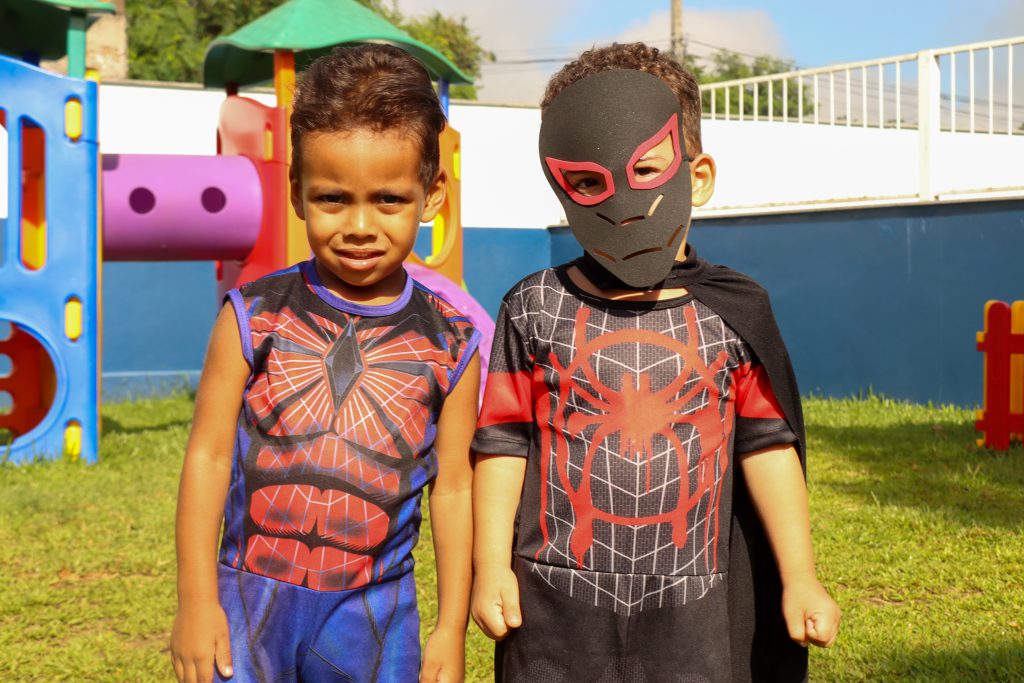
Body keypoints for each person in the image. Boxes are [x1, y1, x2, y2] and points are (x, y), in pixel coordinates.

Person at [470, 42, 840, 682]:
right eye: (588, 181)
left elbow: (768, 445)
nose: (620, 202)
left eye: (646, 169)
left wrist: (800, 576)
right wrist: (490, 565)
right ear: (561, 186)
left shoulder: (732, 311)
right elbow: (502, 442)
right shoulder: (533, 307)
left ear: (698, 177)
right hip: (554, 605)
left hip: (692, 609)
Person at [170, 44, 480, 683]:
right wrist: (197, 603)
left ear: (431, 195)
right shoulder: (252, 316)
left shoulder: (454, 342)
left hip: (374, 617)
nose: (360, 226)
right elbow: (207, 457)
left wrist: (450, 629)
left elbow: (454, 489)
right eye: (333, 198)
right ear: (297, 194)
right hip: (246, 604)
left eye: (388, 199)